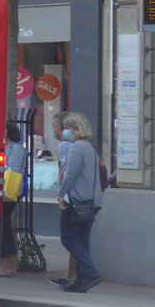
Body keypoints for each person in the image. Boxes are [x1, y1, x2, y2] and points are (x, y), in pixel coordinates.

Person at [56, 111, 103, 293]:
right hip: (93, 200)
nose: (65, 131)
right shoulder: (90, 147)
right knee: (82, 240)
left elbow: (70, 175)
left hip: (77, 200)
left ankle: (89, 272)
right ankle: (82, 279)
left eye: (67, 128)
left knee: (68, 238)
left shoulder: (76, 148)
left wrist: (61, 194)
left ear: (76, 129)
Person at [0, 121, 27, 277]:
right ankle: (9, 265)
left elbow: (13, 171)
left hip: (9, 192)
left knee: (3, 226)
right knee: (4, 226)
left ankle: (6, 266)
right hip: (1, 190)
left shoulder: (16, 149)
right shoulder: (4, 147)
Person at [48, 112, 79, 287]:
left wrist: (61, 194)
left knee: (68, 238)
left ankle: (83, 271)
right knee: (77, 237)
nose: (54, 130)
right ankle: (74, 273)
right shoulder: (82, 145)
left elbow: (66, 172)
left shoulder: (64, 147)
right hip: (82, 196)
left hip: (70, 197)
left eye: (54, 127)